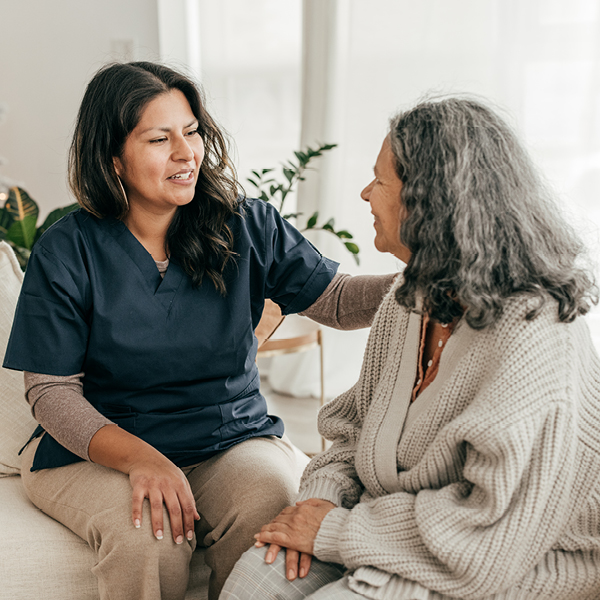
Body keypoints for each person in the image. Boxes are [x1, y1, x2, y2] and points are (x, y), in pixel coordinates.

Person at [1, 61, 394, 600]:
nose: (186, 154)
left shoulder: (245, 225)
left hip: (224, 438)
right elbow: (50, 393)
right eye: (160, 139)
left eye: (191, 133)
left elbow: (341, 300)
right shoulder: (67, 250)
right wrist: (143, 460)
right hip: (99, 450)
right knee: (151, 535)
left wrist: (429, 277)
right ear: (113, 158)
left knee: (269, 500)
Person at [221, 97, 600, 600]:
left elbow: (489, 534)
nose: (364, 193)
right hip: (393, 529)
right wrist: (319, 501)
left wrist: (335, 531)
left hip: (508, 560)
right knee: (252, 580)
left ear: (431, 202)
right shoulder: (411, 296)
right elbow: (354, 433)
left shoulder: (534, 330)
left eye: (379, 182)